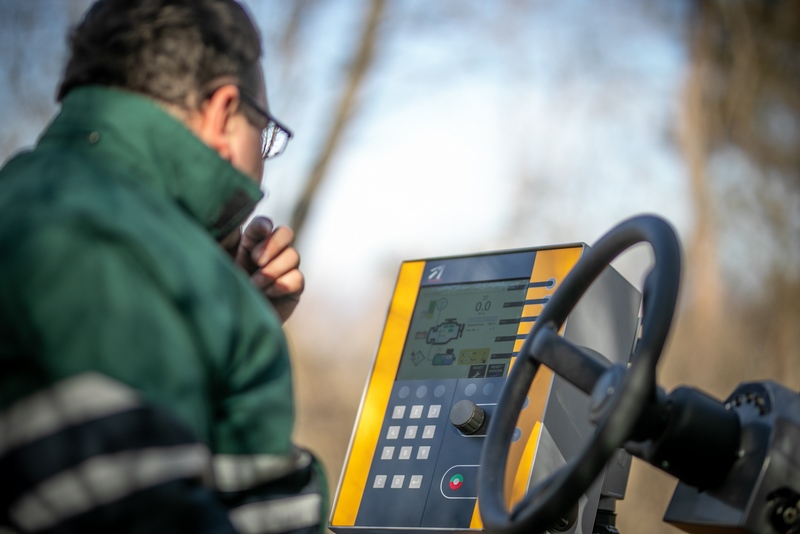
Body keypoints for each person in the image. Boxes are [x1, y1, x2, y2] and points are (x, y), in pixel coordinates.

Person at [0, 1, 326, 532]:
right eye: (264, 131)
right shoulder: (100, 244)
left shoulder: (34, 198)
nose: (264, 159)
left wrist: (221, 311)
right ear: (223, 112)